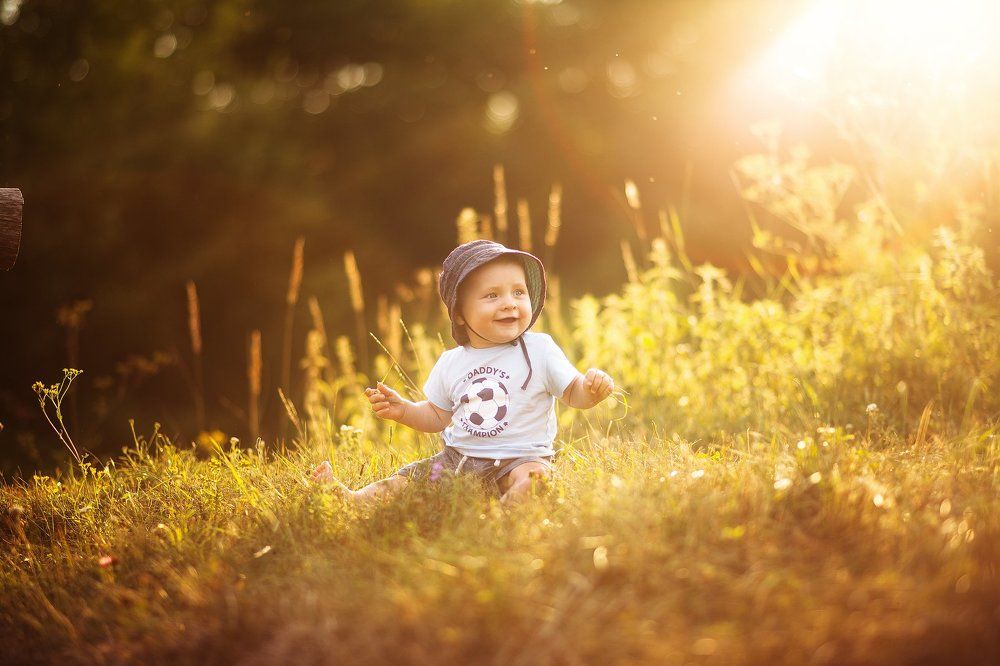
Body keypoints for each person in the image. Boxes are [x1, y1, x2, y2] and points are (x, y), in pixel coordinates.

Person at [311, 239, 615, 505]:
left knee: (534, 478)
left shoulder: (540, 349)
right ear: (459, 313)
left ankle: (510, 511)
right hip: (459, 460)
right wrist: (403, 410)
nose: (509, 303)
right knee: (405, 482)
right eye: (492, 295)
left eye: (518, 292)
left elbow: (573, 392)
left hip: (521, 458)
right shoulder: (451, 362)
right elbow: (436, 416)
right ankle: (353, 500)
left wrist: (590, 390)